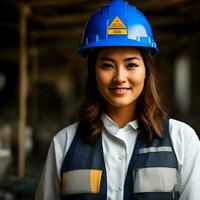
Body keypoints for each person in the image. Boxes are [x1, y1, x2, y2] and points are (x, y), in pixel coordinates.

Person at [35, 0, 200, 199]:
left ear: (146, 72)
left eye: (131, 65)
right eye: (107, 65)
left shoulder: (182, 139)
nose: (120, 77)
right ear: (93, 72)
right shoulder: (64, 143)